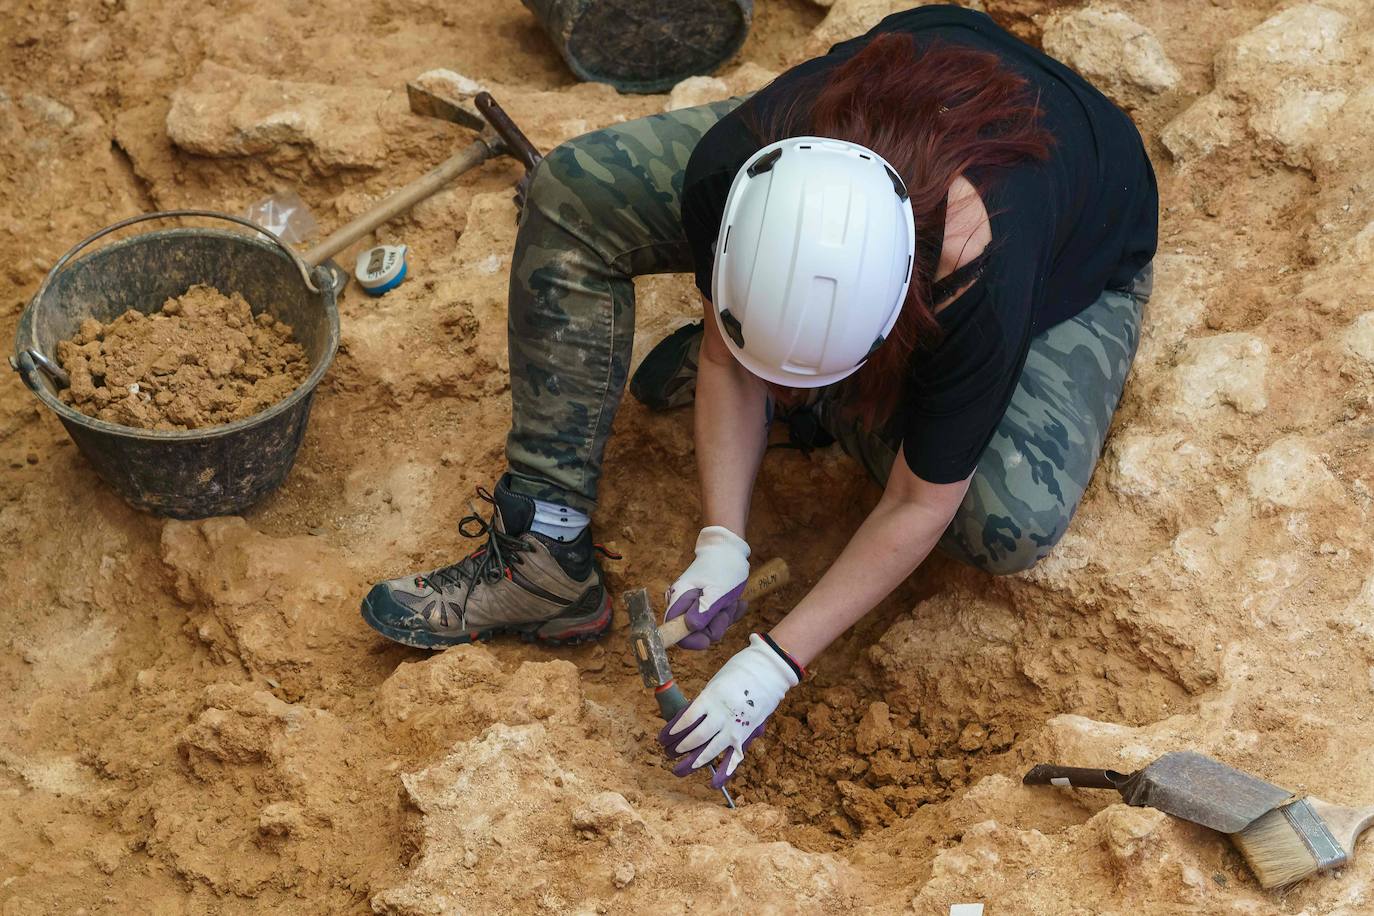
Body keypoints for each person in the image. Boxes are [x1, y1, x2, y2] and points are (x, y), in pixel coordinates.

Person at [360, 5, 1157, 789]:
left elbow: (921, 501)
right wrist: (721, 540)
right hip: (867, 123)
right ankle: (544, 552)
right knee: (574, 193)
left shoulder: (979, 272)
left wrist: (774, 663)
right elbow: (725, 355)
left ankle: (830, 399)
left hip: (1083, 227)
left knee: (1007, 521)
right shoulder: (740, 173)